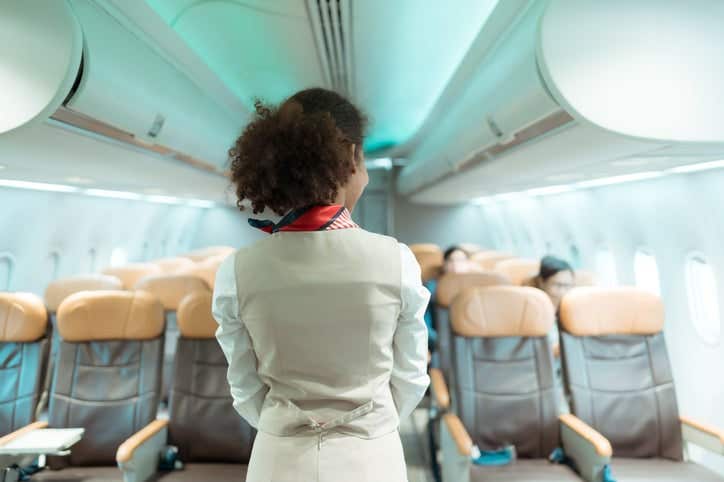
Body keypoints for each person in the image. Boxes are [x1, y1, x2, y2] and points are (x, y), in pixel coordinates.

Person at [212, 88, 430, 482]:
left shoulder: (237, 270)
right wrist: (368, 426)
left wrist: (287, 424)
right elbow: (410, 379)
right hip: (371, 460)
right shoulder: (396, 261)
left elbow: (245, 389)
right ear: (351, 158)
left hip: (277, 460)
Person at [423, 245, 477, 349]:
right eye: (451, 260)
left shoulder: (476, 288)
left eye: (461, 260)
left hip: (471, 346)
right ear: (444, 264)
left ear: (469, 264)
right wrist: (440, 343)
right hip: (440, 344)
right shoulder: (432, 287)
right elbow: (425, 324)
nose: (456, 264)